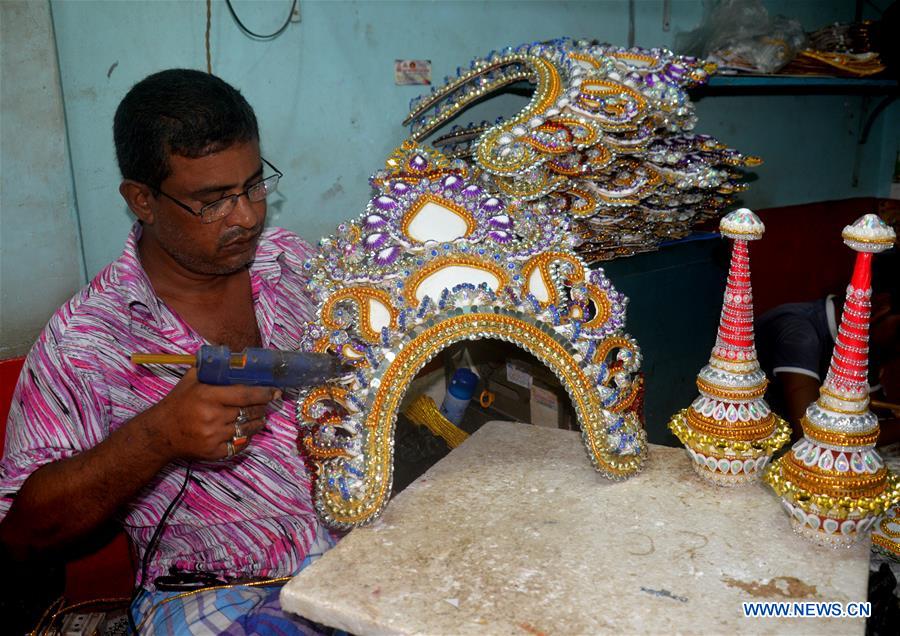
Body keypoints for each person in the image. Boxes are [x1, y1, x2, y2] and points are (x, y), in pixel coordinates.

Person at [0, 69, 337, 634]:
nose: (249, 215)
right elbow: (22, 534)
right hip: (219, 593)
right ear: (143, 201)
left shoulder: (295, 264)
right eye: (213, 201)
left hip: (358, 558)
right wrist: (158, 435)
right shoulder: (89, 338)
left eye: (254, 185)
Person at [756, 255, 900, 443]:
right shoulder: (800, 334)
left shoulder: (865, 345)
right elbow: (812, 434)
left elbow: (876, 418)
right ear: (878, 308)